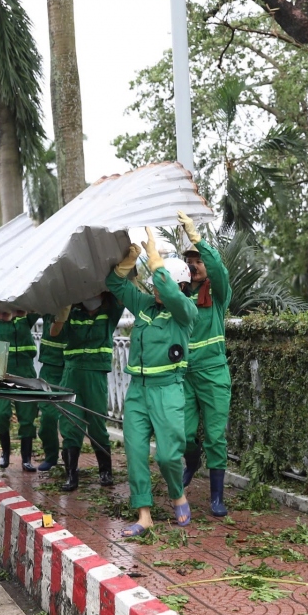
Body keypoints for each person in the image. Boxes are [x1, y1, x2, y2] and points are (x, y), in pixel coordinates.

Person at [106, 228, 198, 538]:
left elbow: (169, 293)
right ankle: (144, 514)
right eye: (157, 284)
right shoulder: (145, 305)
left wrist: (156, 259)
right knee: (134, 453)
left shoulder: (185, 312)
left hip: (168, 389)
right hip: (137, 391)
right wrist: (129, 260)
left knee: (169, 455)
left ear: (181, 286)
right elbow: (114, 284)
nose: (158, 290)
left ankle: (177, 494)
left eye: (167, 285)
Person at [177, 212, 233, 516]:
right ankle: (192, 457)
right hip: (185, 376)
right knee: (181, 433)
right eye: (189, 260)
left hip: (213, 375)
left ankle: (216, 497)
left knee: (214, 436)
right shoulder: (182, 296)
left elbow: (218, 268)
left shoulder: (218, 291)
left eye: (198, 260)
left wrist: (196, 237)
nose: (194, 265)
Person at [53, 293, 122, 491]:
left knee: (96, 423)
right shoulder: (71, 311)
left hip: (95, 375)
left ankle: (105, 471)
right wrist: (63, 311)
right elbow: (55, 331)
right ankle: (71, 475)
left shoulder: (109, 312)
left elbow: (123, 296)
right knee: (70, 423)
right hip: (72, 374)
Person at [0, 310, 40, 469]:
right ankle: (5, 451)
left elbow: (37, 304)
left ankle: (26, 459)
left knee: (27, 416)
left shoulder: (26, 317)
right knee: (0, 414)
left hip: (24, 370)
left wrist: (22, 310)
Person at [35, 307, 71, 472]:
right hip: (49, 367)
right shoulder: (50, 303)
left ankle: (70, 455)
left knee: (69, 418)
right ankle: (51, 456)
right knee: (48, 417)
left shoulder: (79, 307)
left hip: (72, 366)